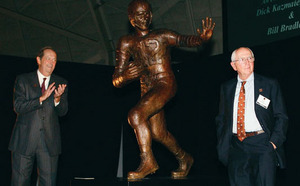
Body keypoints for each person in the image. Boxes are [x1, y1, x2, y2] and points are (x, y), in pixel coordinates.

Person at [112, 0, 215, 180]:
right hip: (147, 88)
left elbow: (183, 40)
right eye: (139, 14)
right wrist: (126, 76)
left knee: (135, 115)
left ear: (151, 16)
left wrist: (201, 39)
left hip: (165, 83)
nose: (143, 17)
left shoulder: (161, 35)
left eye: (146, 13)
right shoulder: (126, 42)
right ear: (131, 19)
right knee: (159, 133)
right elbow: (116, 80)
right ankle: (185, 158)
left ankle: (148, 161)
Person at [215, 47, 288, 186]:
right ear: (233, 65)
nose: (247, 62)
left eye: (250, 58)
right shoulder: (227, 88)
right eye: (242, 59)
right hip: (237, 148)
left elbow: (281, 117)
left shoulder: (269, 84)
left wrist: (273, 144)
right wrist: (223, 146)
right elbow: (221, 119)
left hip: (263, 145)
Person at [9, 46, 68, 186]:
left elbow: (63, 112)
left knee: (48, 182)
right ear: (39, 60)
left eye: (54, 60)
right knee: (19, 182)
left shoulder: (61, 83)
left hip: (49, 142)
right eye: (48, 58)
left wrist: (57, 99)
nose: (51, 62)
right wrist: (41, 99)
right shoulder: (23, 80)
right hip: (25, 139)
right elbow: (18, 107)